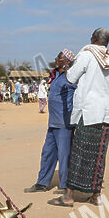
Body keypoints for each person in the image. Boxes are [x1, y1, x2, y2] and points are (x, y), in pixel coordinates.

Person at [53, 28, 109, 207]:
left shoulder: (86, 55)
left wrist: (67, 66)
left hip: (88, 112)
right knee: (99, 155)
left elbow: (70, 79)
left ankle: (69, 196)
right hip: (106, 114)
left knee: (79, 153)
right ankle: (95, 195)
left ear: (93, 39)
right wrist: (106, 109)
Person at [26, 49, 76, 194]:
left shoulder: (71, 77)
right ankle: (41, 183)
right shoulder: (56, 76)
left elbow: (78, 95)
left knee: (64, 155)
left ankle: (65, 186)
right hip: (53, 123)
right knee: (47, 153)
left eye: (59, 57)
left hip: (64, 124)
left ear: (66, 61)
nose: (55, 58)